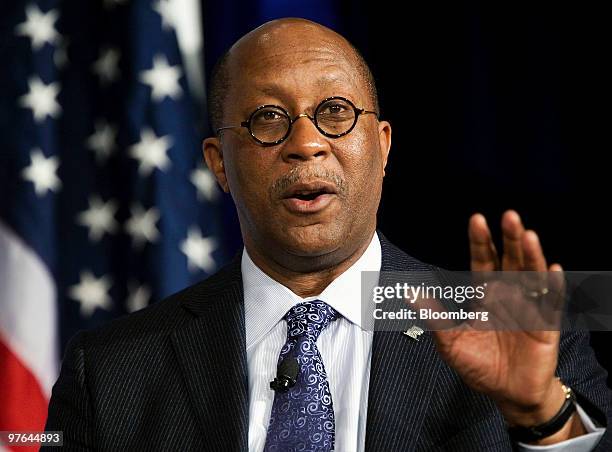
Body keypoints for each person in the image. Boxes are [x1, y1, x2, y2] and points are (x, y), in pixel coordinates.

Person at [44, 18, 611, 451]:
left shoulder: (520, 319)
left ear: (383, 145)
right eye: (268, 118)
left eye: (335, 111)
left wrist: (544, 417)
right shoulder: (110, 369)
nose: (306, 143)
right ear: (219, 163)